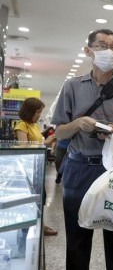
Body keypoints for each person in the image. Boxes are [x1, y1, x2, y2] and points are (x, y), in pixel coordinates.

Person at [51, 28, 113, 270]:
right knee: (77, 237)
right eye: (102, 45)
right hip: (79, 167)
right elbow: (59, 131)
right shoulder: (72, 86)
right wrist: (77, 124)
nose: (110, 51)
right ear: (88, 51)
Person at [14, 97, 58, 236]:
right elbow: (23, 147)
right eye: (38, 112)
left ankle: (39, 224)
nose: (39, 115)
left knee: (40, 196)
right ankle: (31, 225)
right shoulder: (21, 125)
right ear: (30, 111)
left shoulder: (34, 125)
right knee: (31, 197)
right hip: (28, 168)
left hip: (37, 167)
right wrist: (44, 144)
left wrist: (47, 143)